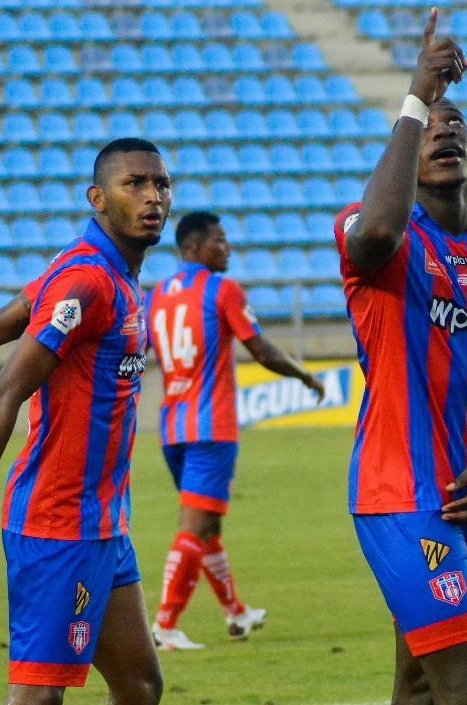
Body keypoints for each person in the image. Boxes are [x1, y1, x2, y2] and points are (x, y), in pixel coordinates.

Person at [334, 10, 467, 705]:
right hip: (400, 492)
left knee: (420, 685)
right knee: (464, 683)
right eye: (428, 128)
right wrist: (415, 97)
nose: (443, 130)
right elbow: (378, 232)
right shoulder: (375, 233)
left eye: (453, 123)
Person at [0, 138, 168, 705]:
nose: (153, 196)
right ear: (98, 198)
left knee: (139, 684)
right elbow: (1, 396)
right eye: (135, 184)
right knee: (39, 696)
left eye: (160, 184)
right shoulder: (85, 282)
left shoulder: (111, 275)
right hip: (58, 524)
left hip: (104, 523)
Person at [145, 211, 325, 651]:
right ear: (194, 247)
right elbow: (259, 349)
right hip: (211, 427)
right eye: (220, 241)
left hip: (172, 428)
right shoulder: (221, 290)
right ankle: (165, 626)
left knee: (207, 528)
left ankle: (235, 613)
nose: (228, 249)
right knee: (193, 527)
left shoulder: (155, 297)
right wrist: (303, 375)